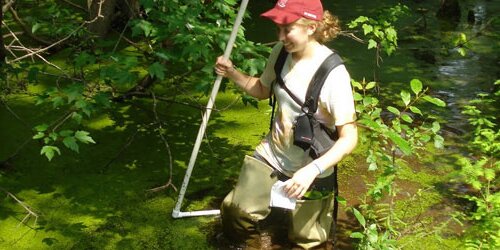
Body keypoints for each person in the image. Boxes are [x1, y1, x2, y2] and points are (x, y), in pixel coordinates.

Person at [215, 0, 358, 248]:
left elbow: (349, 138)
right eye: (278, 29)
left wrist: (311, 170)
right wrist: (231, 72)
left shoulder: (334, 74)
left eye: (287, 29)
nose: (281, 37)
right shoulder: (281, 53)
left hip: (313, 167)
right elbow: (261, 89)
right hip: (274, 154)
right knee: (234, 211)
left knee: (307, 242)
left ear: (311, 27)